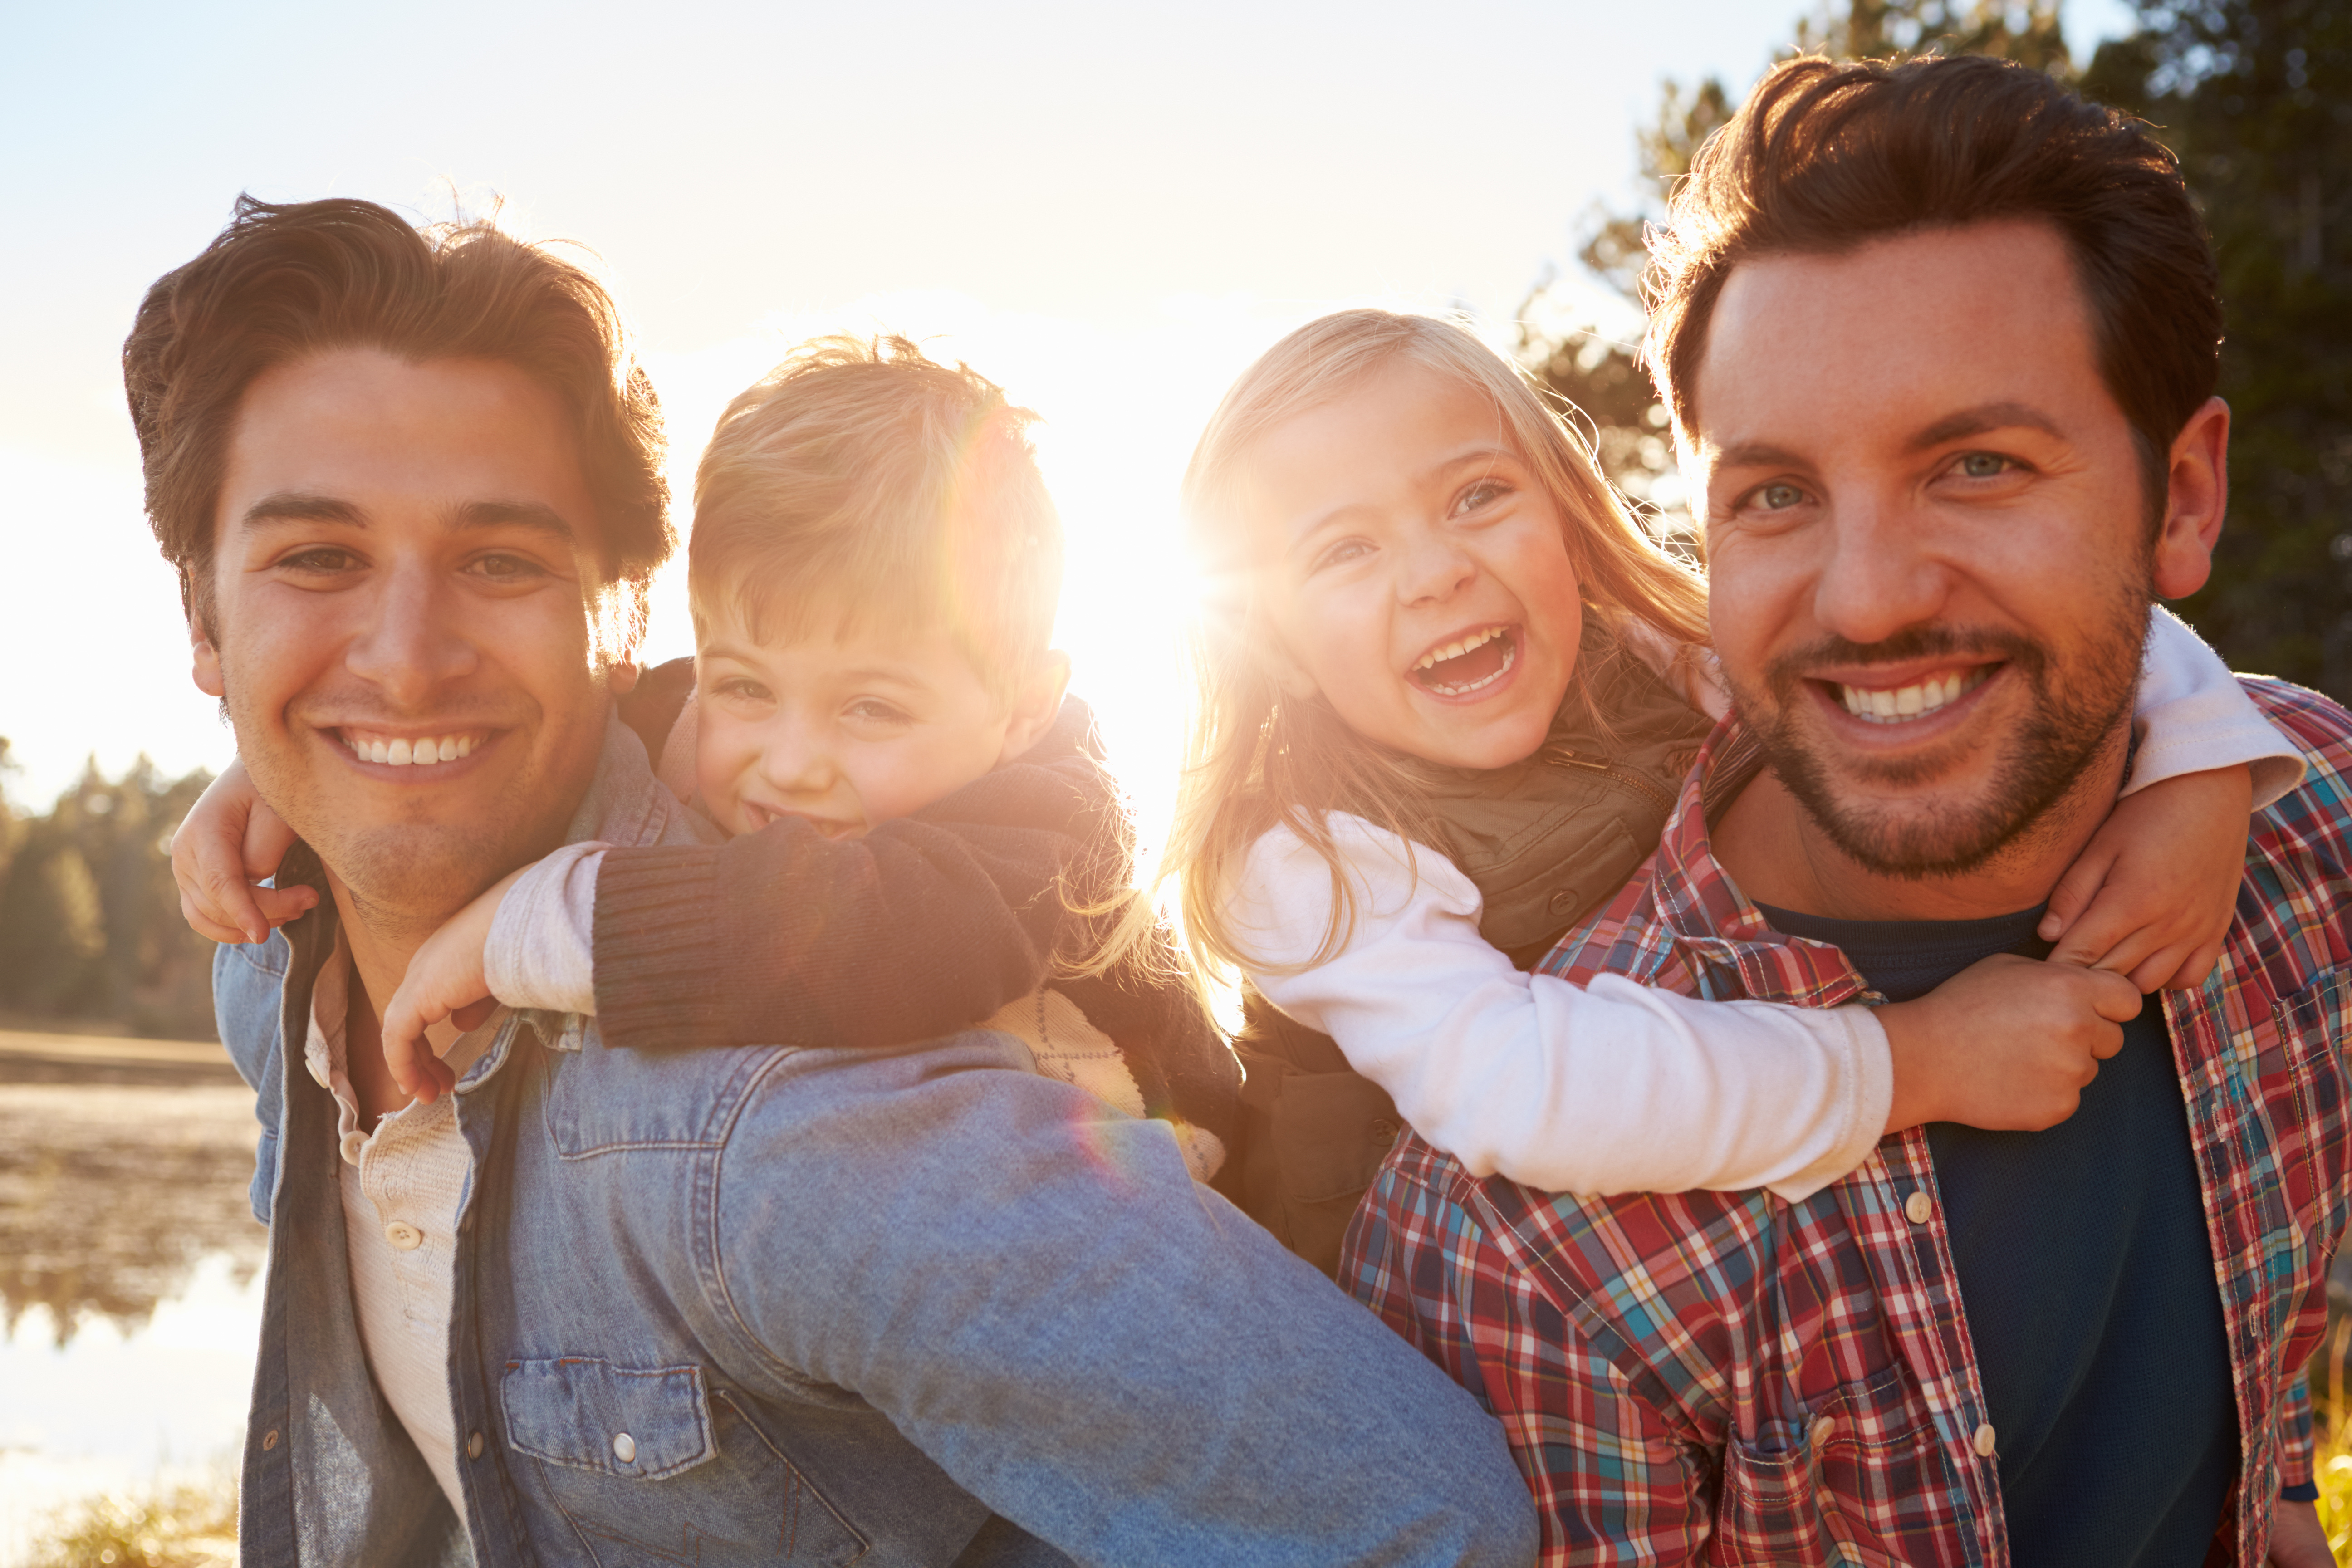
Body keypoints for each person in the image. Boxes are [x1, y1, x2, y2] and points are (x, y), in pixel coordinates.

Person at [133, 194, 1536, 1565]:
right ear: (203, 616)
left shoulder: (796, 1131)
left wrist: (517, 885)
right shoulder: (274, 960)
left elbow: (1425, 1523)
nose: (404, 658)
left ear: (615, 617)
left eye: (500, 560)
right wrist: (305, 770)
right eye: (318, 560)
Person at [1344, 54, 2349, 1567]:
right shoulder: (1528, 1241)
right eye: (1774, 494)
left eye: (1977, 465)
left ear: (2184, 497)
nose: (1867, 597)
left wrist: (2271, 1493)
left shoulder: (2307, 831)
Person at [1161, 305, 2298, 1274]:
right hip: (1473, 1328)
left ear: (1566, 516)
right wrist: (1917, 1060)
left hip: (1748, 1181)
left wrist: (2197, 771)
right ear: (1278, 647)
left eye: (1476, 496)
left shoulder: (1659, 655)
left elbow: (2002, 634)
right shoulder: (1300, 861)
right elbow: (1522, 1088)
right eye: (1346, 551)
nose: (1436, 571)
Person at [174, 333, 1241, 1186]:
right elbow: (544, 730)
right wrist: (281, 778)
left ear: (1022, 708)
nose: (792, 762)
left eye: (871, 708)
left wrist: (539, 925)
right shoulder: (689, 725)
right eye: (747, 687)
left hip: (1186, 1223)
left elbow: (869, 934)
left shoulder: (1051, 830)